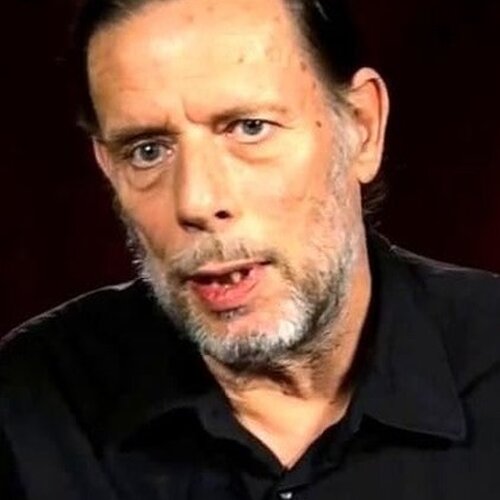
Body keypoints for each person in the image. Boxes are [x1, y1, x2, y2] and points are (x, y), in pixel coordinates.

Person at [1, 0, 500, 498]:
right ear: (109, 169)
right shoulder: (29, 409)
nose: (197, 201)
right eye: (148, 150)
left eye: (249, 128)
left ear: (361, 128)